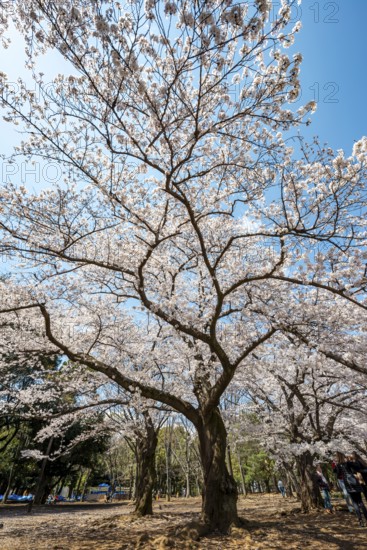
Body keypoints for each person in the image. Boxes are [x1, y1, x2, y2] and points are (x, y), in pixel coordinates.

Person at [334, 452, 367, 527]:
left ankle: (360, 522)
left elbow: (337, 474)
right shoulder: (348, 463)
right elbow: (358, 467)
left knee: (355, 503)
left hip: (348, 484)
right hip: (354, 482)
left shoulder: (338, 465)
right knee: (360, 502)